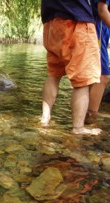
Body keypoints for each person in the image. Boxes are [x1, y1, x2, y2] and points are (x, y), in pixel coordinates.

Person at [40, 0, 102, 135]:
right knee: (83, 80)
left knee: (53, 75)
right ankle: (78, 128)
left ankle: (45, 118)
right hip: (76, 19)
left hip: (51, 23)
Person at [86, 0, 110, 124]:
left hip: (100, 31)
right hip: (98, 29)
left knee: (94, 76)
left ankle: (87, 114)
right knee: (103, 75)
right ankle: (91, 117)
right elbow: (102, 10)